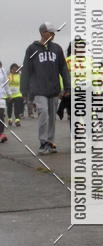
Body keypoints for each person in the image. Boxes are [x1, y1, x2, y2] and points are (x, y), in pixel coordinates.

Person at [20, 23, 70, 154]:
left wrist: (67, 86)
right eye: (51, 32)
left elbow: (63, 68)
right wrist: (24, 89)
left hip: (54, 89)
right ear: (43, 33)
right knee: (44, 113)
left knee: (52, 117)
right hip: (38, 89)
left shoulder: (57, 49)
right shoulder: (32, 49)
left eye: (54, 33)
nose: (53, 35)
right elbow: (26, 69)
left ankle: (50, 141)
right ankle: (43, 142)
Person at [0, 63, 8, 142]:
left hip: (1, 97)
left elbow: (6, 83)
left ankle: (1, 134)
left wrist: (9, 93)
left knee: (1, 115)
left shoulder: (3, 71)